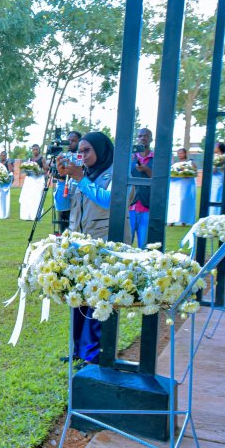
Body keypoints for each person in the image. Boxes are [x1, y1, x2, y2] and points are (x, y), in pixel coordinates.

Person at [54, 132, 128, 365]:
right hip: (79, 245)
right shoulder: (80, 174)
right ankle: (78, 349)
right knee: (78, 297)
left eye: (87, 151)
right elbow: (62, 205)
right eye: (80, 151)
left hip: (105, 244)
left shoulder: (117, 173)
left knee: (98, 298)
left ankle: (93, 354)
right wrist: (61, 180)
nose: (82, 155)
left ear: (101, 150)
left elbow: (110, 201)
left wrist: (81, 179)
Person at [129, 128, 154, 247]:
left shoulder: (157, 158)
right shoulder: (130, 157)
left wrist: (146, 169)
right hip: (130, 206)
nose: (143, 138)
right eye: (140, 136)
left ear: (151, 139)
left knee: (144, 245)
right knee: (125, 244)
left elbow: (160, 180)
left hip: (147, 207)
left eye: (146, 136)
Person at [167, 148, 197, 226]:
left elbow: (195, 172)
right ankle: (172, 220)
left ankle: (184, 220)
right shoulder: (175, 164)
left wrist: (188, 174)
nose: (180, 155)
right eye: (178, 153)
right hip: (176, 185)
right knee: (174, 201)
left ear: (185, 154)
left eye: (181, 153)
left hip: (186, 185)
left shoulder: (190, 163)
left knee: (184, 201)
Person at [58, 131, 81, 232]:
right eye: (68, 140)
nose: (70, 143)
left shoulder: (83, 156)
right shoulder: (63, 156)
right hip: (64, 194)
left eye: (73, 141)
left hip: (78, 194)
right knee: (64, 227)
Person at [19, 144, 47, 221]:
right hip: (30, 181)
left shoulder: (42, 159)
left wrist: (39, 172)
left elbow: (46, 169)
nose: (35, 151)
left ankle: (36, 216)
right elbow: (26, 169)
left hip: (38, 180)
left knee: (37, 198)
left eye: (36, 149)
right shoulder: (30, 159)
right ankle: (27, 216)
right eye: (33, 149)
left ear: (39, 150)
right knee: (28, 198)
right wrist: (27, 172)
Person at [0, 150, 14, 219]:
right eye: (1, 155)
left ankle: (3, 213)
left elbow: (10, 172)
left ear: (6, 156)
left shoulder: (8, 163)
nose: (2, 157)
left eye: (3, 155)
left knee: (3, 199)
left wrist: (5, 177)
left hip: (4, 184)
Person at [210, 142, 225, 215]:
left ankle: (216, 213)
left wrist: (216, 167)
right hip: (214, 178)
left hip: (219, 178)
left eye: (215, 147)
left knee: (217, 194)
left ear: (219, 148)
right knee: (213, 194)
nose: (214, 148)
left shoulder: (223, 157)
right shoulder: (214, 157)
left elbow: (223, 169)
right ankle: (212, 212)